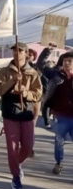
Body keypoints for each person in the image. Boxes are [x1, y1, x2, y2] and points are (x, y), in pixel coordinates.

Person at [0, 43, 42, 189]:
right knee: (12, 149)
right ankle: (15, 177)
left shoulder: (33, 73)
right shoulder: (4, 71)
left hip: (26, 113)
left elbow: (38, 94)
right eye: (14, 50)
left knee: (28, 146)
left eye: (20, 50)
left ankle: (17, 163)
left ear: (26, 54)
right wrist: (13, 80)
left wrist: (25, 92)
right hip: (10, 114)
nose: (16, 53)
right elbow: (1, 91)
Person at [37, 43, 73, 175]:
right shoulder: (56, 74)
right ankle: (59, 162)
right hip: (61, 116)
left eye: (70, 61)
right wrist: (48, 50)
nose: (67, 63)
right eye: (65, 61)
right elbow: (40, 65)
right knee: (59, 141)